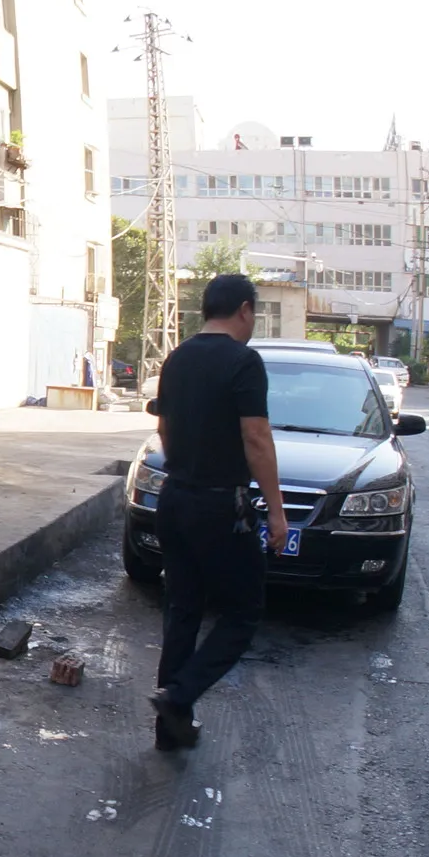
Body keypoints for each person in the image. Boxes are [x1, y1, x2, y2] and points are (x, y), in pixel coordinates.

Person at [148, 273, 286, 755]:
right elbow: (256, 438)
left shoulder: (177, 358)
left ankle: (171, 728)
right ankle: (180, 695)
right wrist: (276, 512)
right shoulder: (244, 362)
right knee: (243, 612)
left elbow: (164, 428)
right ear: (244, 310)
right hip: (220, 505)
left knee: (183, 611)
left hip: (174, 498)